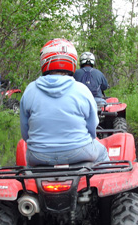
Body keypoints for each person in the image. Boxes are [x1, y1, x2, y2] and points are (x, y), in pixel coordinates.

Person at [19, 38, 110, 167]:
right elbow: (92, 127)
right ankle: (103, 185)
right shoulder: (82, 90)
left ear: (44, 61)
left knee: (29, 173)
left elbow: (25, 132)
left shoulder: (30, 90)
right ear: (72, 61)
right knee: (102, 152)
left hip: (38, 156)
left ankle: (30, 186)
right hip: (79, 152)